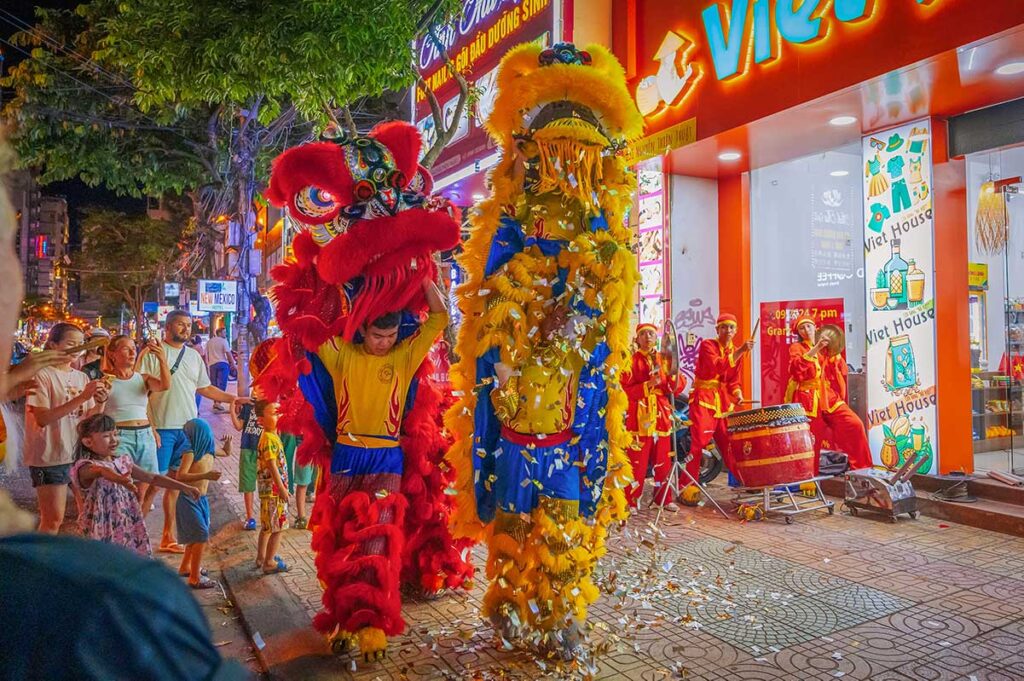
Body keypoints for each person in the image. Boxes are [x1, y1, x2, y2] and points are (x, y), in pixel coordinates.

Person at [310, 277, 447, 653]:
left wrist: (424, 277)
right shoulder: (342, 355)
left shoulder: (404, 356)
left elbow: (439, 319)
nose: (384, 343)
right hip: (346, 455)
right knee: (342, 539)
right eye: (376, 336)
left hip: (387, 457)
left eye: (390, 336)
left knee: (377, 540)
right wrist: (321, 278)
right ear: (363, 331)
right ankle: (342, 620)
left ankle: (371, 624)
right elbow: (308, 328)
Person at [139, 309, 240, 554]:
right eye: (180, 324)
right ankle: (134, 537)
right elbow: (140, 391)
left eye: (188, 325)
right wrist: (150, 426)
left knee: (175, 484)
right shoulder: (153, 353)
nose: (186, 329)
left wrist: (233, 398)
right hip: (161, 428)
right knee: (152, 484)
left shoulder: (194, 356)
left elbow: (205, 388)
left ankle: (168, 536)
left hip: (187, 429)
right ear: (168, 327)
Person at [72, 413, 200, 556]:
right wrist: (120, 479)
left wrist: (183, 487)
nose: (114, 440)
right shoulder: (84, 467)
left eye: (115, 434)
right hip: (99, 526)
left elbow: (152, 477)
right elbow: (101, 471)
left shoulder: (122, 461)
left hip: (124, 524)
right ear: (88, 442)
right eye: (106, 436)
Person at [25, 323, 109, 533]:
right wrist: (82, 397)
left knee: (89, 513)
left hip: (77, 455)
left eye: (81, 344)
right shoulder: (41, 375)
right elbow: (42, 418)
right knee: (53, 519)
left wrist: (100, 401)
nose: (77, 348)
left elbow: (88, 420)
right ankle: (42, 554)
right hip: (50, 456)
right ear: (53, 345)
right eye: (71, 343)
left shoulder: (81, 377)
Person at [786, 314, 873, 470]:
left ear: (815, 327)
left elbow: (840, 371)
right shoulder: (797, 348)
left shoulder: (825, 347)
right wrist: (816, 348)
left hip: (827, 396)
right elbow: (795, 369)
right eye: (802, 328)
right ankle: (810, 476)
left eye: (808, 326)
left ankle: (862, 469)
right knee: (812, 439)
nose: (806, 330)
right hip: (807, 399)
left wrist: (835, 355)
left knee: (854, 424)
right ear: (798, 332)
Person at [622, 323, 687, 510]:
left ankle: (664, 499)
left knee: (663, 461)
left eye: (651, 333)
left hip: (661, 414)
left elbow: (676, 386)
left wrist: (672, 375)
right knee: (637, 462)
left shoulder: (664, 358)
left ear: (656, 337)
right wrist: (648, 384)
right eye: (643, 334)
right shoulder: (631, 360)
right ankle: (631, 501)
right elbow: (625, 390)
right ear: (637, 338)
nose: (647, 337)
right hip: (639, 416)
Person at [103, 335, 170, 505]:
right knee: (122, 488)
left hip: (145, 435)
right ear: (112, 354)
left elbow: (165, 385)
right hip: (119, 436)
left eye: (134, 348)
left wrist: (162, 359)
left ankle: (137, 521)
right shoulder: (106, 381)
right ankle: (123, 520)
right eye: (126, 349)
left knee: (148, 487)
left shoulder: (143, 378)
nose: (133, 353)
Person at [688, 314, 752, 487]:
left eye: (731, 327)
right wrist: (741, 351)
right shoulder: (708, 345)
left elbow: (733, 380)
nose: (728, 330)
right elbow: (718, 365)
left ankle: (745, 481)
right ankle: (687, 485)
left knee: (729, 442)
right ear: (717, 330)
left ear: (736, 330)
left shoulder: (735, 351)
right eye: (724, 327)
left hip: (721, 401)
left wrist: (738, 393)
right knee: (699, 442)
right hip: (703, 398)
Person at [174, 418, 222, 588]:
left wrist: (229, 445)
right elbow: (180, 476)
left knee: (195, 536)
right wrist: (206, 475)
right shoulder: (190, 452)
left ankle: (185, 567)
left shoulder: (208, 451)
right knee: (201, 535)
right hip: (188, 499)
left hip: (202, 499)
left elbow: (226, 452)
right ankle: (195, 578)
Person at [255, 400, 290, 574]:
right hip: (274, 493)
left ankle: (261, 557)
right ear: (261, 420)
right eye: (275, 413)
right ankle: (269, 562)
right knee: (279, 527)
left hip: (269, 492)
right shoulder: (268, 438)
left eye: (280, 412)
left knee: (267, 526)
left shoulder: (271, 436)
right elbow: (272, 465)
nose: (279, 416)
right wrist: (282, 489)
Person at [230, 388, 263, 531]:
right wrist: (232, 409)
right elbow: (238, 426)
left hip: (263, 450)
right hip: (247, 448)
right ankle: (250, 517)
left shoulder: (269, 407)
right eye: (255, 388)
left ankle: (266, 513)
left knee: (265, 483)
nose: (256, 391)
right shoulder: (248, 407)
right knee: (247, 483)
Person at [281, 428, 313, 529]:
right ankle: (301, 516)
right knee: (302, 479)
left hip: (312, 439)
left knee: (308, 478)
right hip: (300, 436)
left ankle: (303, 515)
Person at [204, 327, 236, 412]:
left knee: (214, 385)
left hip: (212, 365)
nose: (225, 334)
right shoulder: (223, 341)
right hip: (222, 364)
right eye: (224, 332)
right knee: (222, 384)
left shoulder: (209, 342)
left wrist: (207, 365)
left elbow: (206, 354)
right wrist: (233, 364)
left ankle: (216, 402)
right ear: (219, 333)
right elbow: (228, 353)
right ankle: (218, 403)